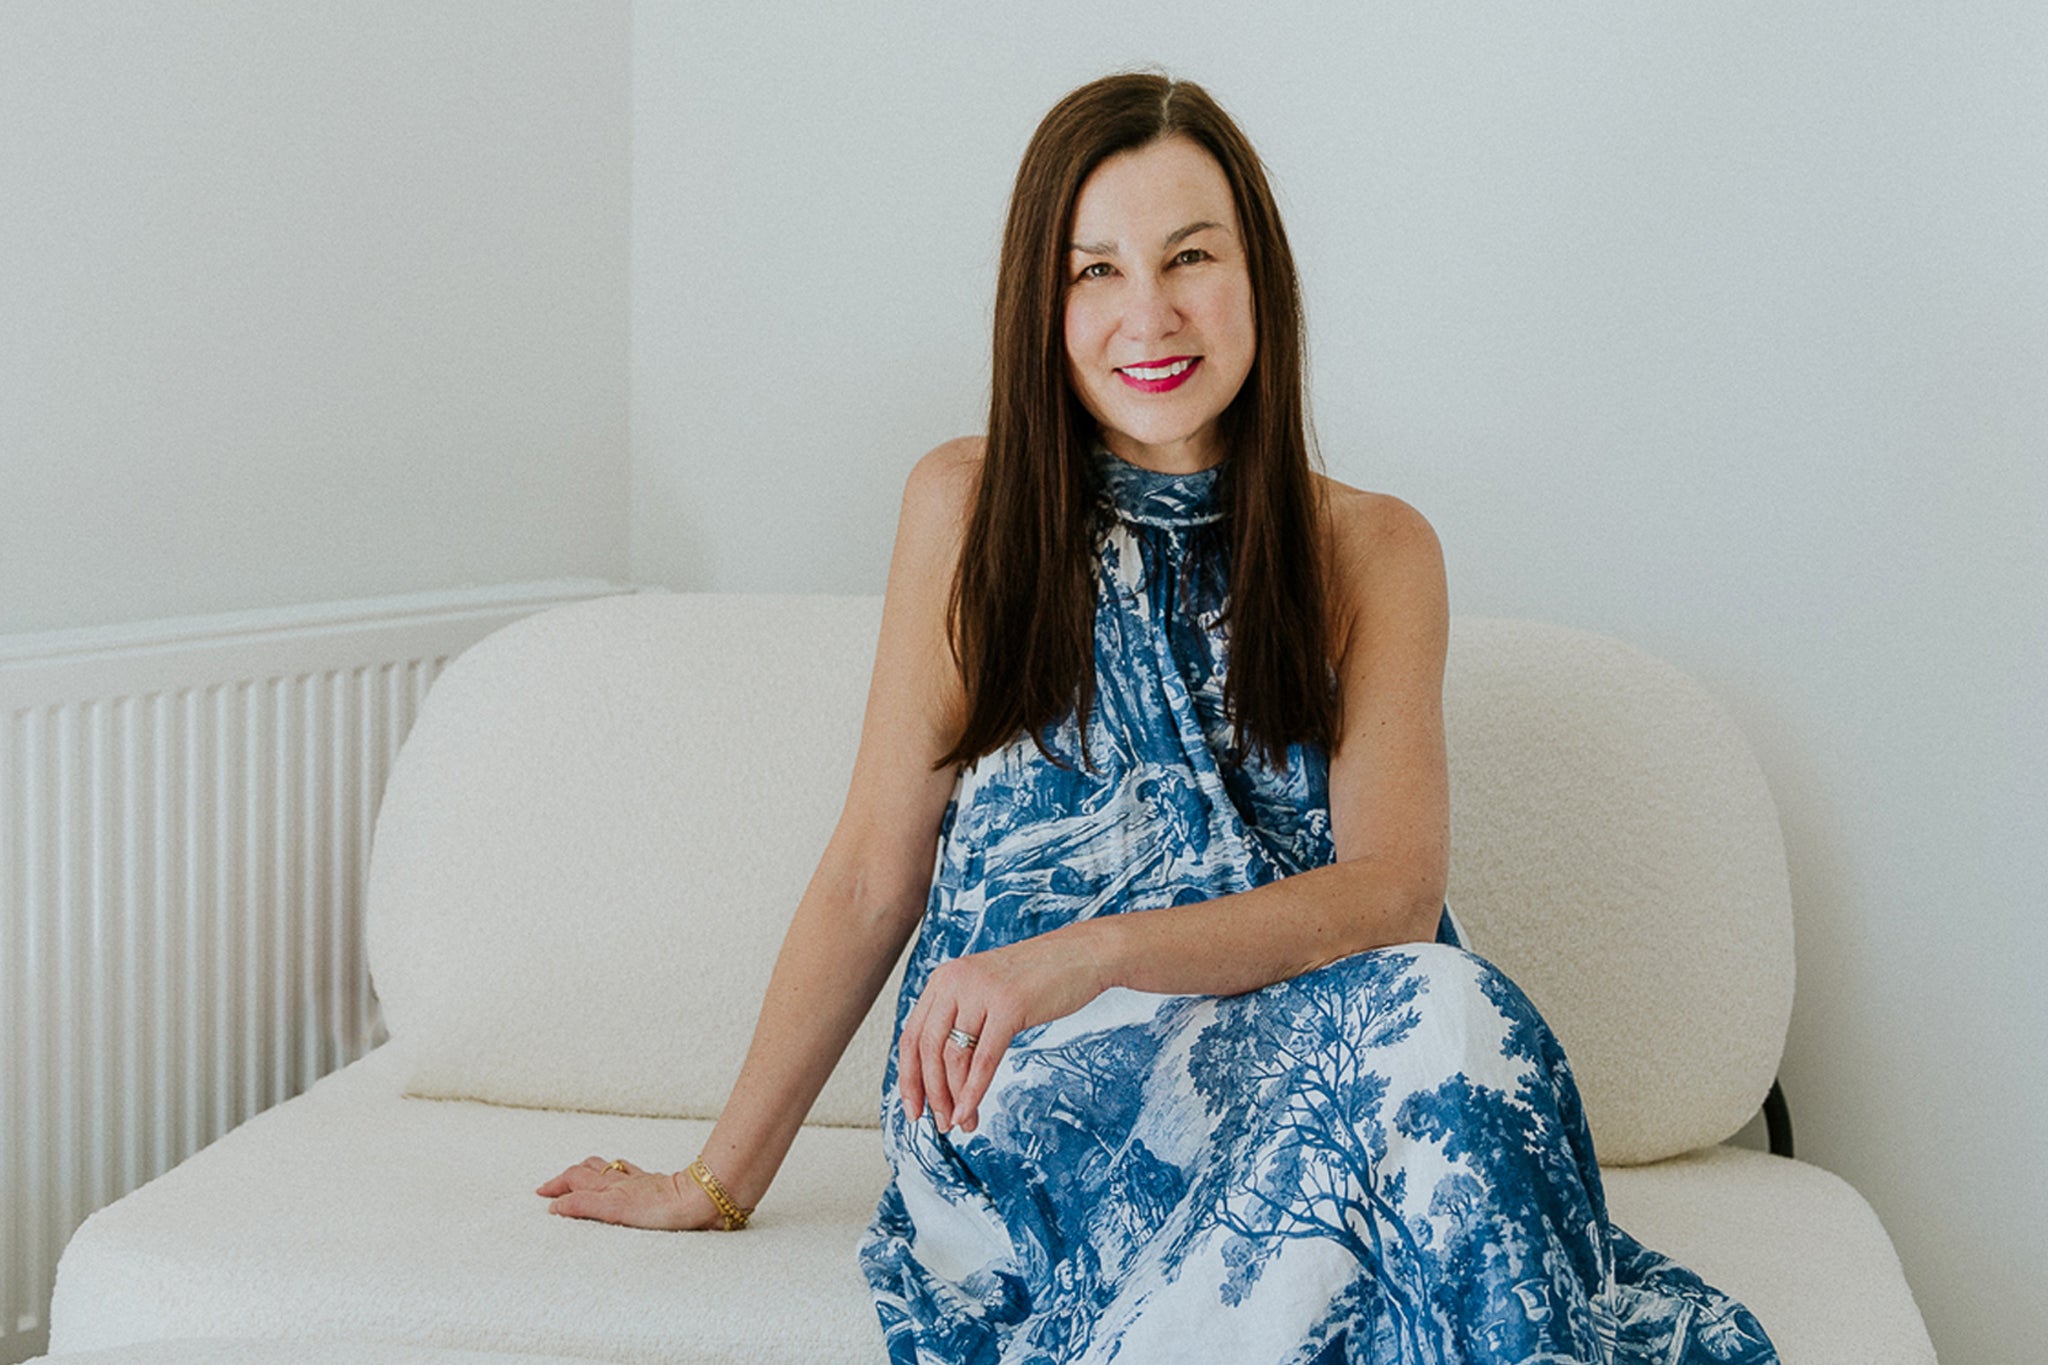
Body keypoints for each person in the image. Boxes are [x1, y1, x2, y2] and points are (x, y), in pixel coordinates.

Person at [536, 71, 1781, 1364]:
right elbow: (869, 874)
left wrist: (1095, 947)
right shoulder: (963, 509)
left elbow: (1394, 895)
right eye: (1094, 272)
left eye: (1191, 256)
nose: (1149, 311)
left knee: (1445, 1006)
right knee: (1410, 1065)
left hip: (1309, 1066)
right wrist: (717, 1177)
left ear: (1260, 278)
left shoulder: (1376, 550)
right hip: (1039, 1102)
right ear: (1042, 303)